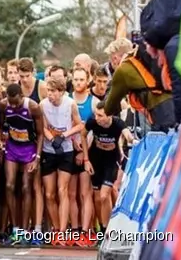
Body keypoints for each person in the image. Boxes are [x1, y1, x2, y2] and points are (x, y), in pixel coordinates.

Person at [40, 76, 88, 244]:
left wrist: (64, 136)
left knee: (63, 190)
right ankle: (56, 228)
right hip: (49, 150)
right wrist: (52, 140)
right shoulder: (43, 105)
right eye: (48, 91)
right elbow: (43, 127)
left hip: (66, 149)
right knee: (49, 194)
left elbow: (79, 124)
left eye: (53, 91)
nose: (50, 95)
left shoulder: (70, 103)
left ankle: (62, 231)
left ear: (61, 92)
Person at [0, 83, 43, 245]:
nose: (14, 106)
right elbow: (2, 126)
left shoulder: (33, 107)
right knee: (9, 186)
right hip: (12, 147)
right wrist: (0, 140)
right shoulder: (3, 104)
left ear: (21, 97)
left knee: (26, 187)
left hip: (29, 148)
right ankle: (16, 229)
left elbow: (40, 134)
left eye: (16, 102)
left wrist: (37, 158)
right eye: (12, 103)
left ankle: (25, 230)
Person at [104, 42, 176, 132]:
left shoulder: (123, 69)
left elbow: (109, 108)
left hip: (160, 112)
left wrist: (111, 84)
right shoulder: (141, 59)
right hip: (175, 101)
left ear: (114, 58)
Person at [86, 102, 132, 236]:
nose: (97, 118)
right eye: (96, 115)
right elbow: (83, 134)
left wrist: (131, 139)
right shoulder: (93, 122)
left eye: (100, 115)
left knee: (104, 195)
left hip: (111, 161)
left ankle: (110, 230)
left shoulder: (117, 123)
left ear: (109, 115)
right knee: (97, 198)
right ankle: (103, 228)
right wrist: (86, 159)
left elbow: (127, 133)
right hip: (95, 160)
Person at [69, 67, 99, 245]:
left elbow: (95, 129)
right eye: (76, 79)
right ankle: (75, 230)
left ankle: (86, 231)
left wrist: (83, 150)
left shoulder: (94, 102)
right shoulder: (67, 99)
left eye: (82, 79)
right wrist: (74, 144)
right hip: (69, 150)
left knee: (84, 193)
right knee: (71, 193)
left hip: (88, 150)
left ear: (88, 81)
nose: (79, 83)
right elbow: (66, 125)